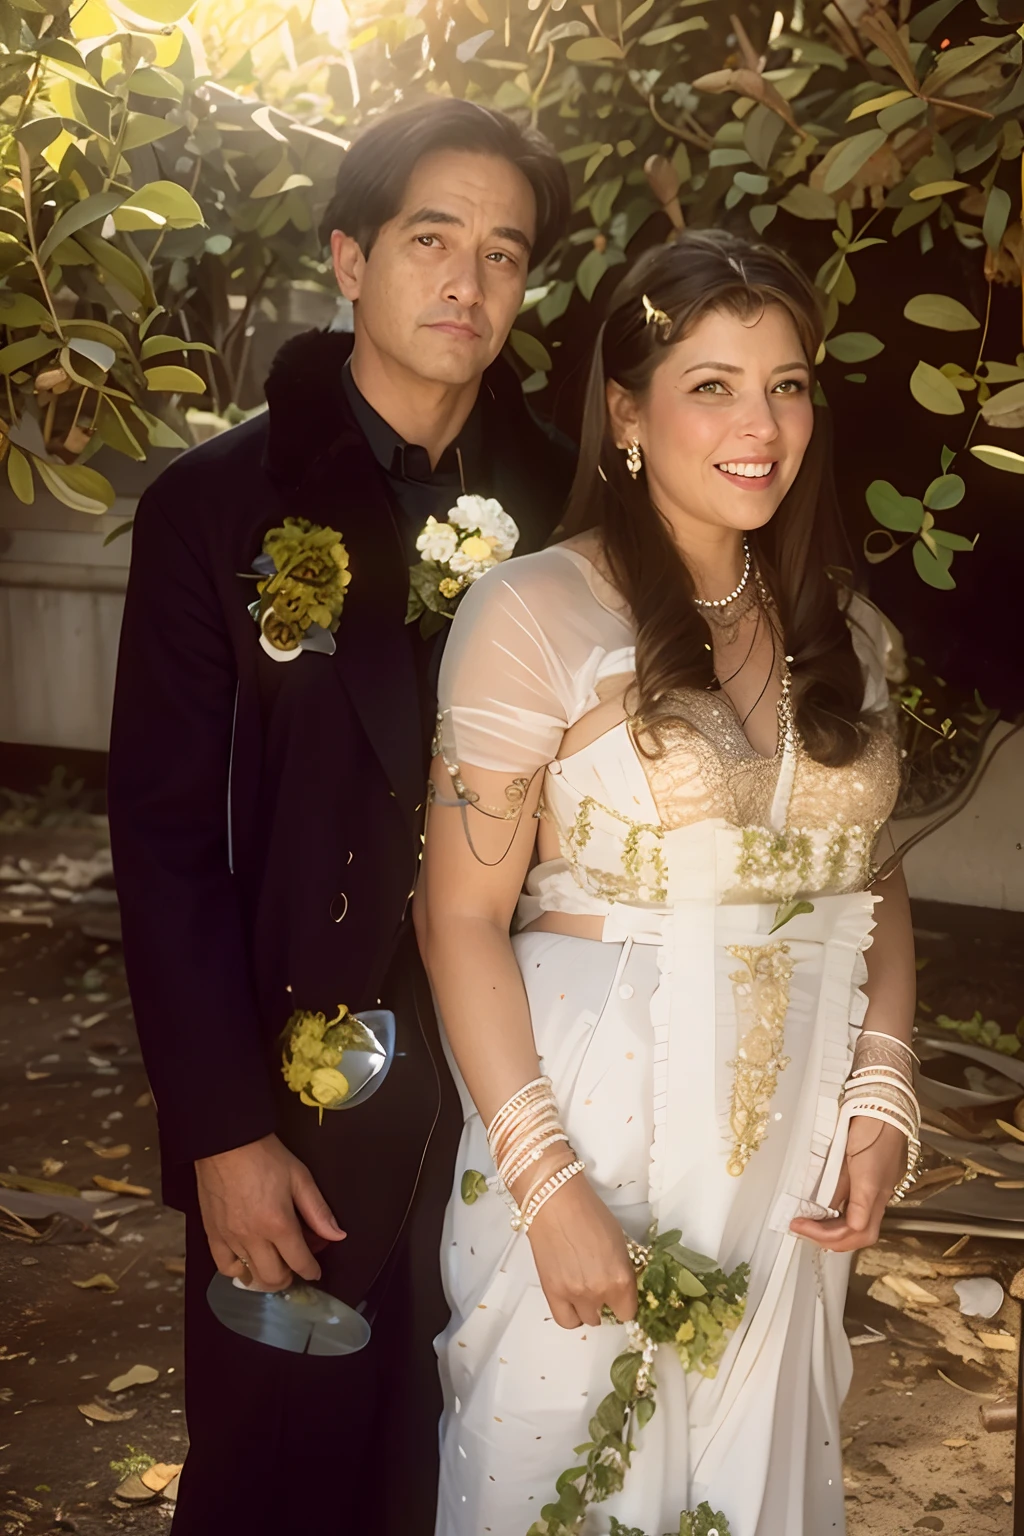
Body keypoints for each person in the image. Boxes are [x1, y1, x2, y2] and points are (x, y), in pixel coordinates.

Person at [107, 99, 572, 1536]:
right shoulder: (215, 505)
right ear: (350, 256)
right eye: (433, 239)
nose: (467, 283)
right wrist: (222, 1130)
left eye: (504, 254)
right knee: (275, 1478)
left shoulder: (570, 505)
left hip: (531, 1094)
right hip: (299, 1111)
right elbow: (166, 843)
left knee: (482, 1478)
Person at [415, 229, 918, 1536]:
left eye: (789, 384)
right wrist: (549, 1184)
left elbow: (872, 878)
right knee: (566, 1489)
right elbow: (457, 913)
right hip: (595, 1127)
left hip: (789, 1146)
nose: (763, 425)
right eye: (713, 386)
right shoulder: (533, 614)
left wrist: (883, 1088)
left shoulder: (845, 631)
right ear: (627, 411)